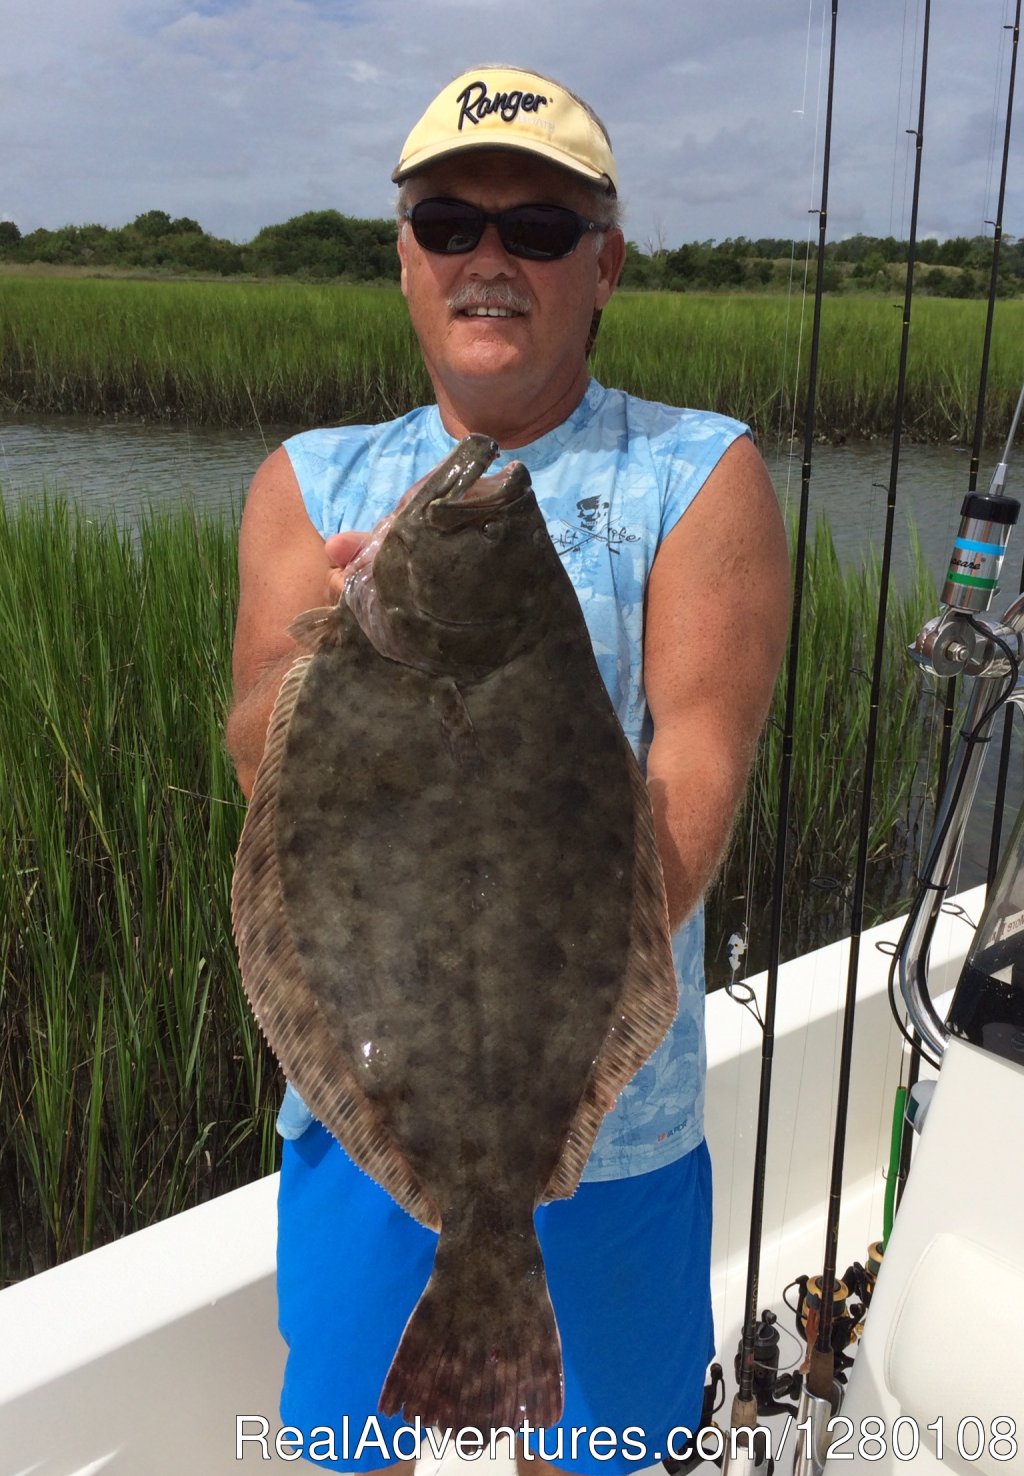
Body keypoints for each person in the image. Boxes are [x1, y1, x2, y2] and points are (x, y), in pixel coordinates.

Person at [226, 64, 790, 1476]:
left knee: (602, 1456)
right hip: (367, 1113)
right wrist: (332, 673)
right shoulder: (312, 479)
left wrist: (540, 1058)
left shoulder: (698, 471)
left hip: (612, 1126)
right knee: (348, 1451)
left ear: (603, 265)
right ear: (404, 259)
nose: (491, 257)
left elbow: (694, 786)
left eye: (539, 228)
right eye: (449, 222)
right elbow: (257, 761)